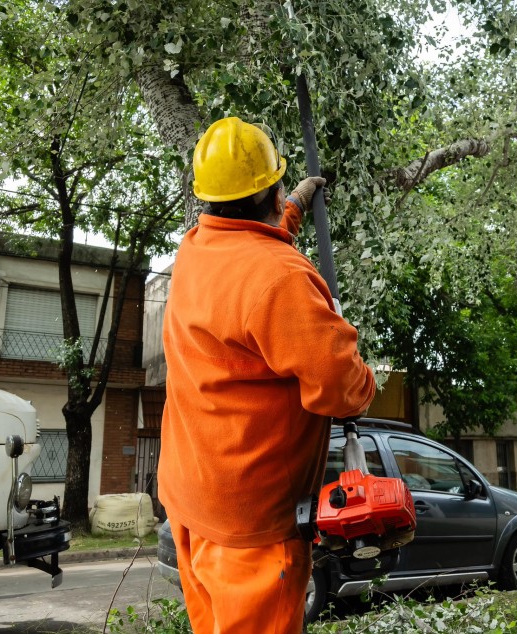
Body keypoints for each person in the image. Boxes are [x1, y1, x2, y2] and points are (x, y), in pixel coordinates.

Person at [158, 117, 376, 633]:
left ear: (207, 199)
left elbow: (248, 263)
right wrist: (361, 377)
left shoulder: (194, 250)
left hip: (189, 503)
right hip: (250, 527)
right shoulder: (281, 279)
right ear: (271, 190)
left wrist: (292, 210)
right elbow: (341, 387)